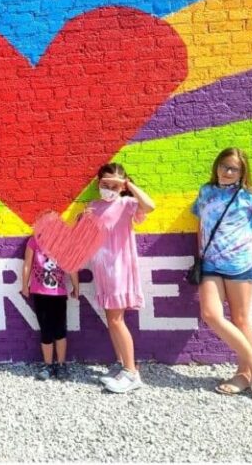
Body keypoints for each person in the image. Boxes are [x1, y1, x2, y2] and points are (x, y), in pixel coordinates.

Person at [191, 147, 252, 399]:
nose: (227, 172)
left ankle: (244, 374)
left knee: (241, 319)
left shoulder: (249, 196)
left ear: (242, 172)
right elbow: (201, 222)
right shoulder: (206, 191)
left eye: (233, 169)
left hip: (240, 265)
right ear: (216, 166)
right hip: (210, 264)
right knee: (210, 314)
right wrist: (200, 251)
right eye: (223, 166)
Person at [86, 162, 155, 394]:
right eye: (105, 184)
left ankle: (131, 373)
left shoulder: (127, 204)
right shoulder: (93, 206)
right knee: (111, 319)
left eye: (114, 185)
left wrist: (128, 186)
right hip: (102, 270)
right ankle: (121, 363)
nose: (109, 189)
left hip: (119, 269)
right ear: (99, 183)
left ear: (122, 185)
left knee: (116, 320)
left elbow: (150, 206)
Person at [21, 235, 80, 381]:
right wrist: (25, 285)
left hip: (58, 294)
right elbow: (27, 263)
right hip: (40, 294)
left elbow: (71, 266)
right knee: (45, 331)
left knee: (60, 330)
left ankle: (61, 364)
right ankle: (47, 365)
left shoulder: (63, 240)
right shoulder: (34, 241)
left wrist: (76, 286)